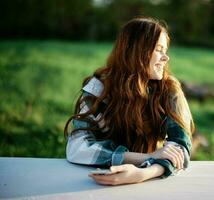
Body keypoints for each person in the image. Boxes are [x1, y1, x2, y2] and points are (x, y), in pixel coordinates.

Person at [64, 17, 194, 186]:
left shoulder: (169, 91)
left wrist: (143, 174)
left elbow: (180, 148)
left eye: (165, 50)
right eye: (159, 49)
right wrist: (146, 157)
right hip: (94, 182)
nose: (166, 58)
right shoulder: (98, 91)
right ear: (136, 52)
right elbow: (77, 147)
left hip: (152, 184)